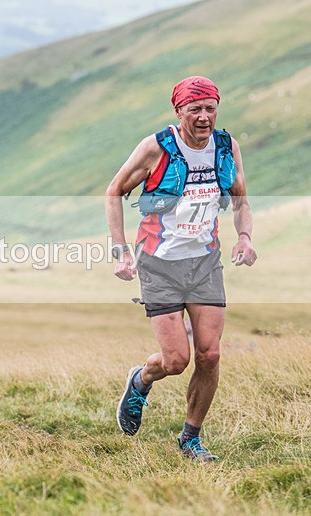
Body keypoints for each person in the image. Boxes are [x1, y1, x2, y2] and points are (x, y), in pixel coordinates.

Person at [105, 76, 257, 462]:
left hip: (205, 263)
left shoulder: (226, 146)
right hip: (159, 264)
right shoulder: (156, 148)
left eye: (210, 109)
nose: (204, 117)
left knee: (210, 355)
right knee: (176, 360)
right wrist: (122, 251)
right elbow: (114, 192)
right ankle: (140, 381)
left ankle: (191, 439)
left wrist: (244, 237)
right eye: (195, 110)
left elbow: (241, 200)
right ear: (179, 112)